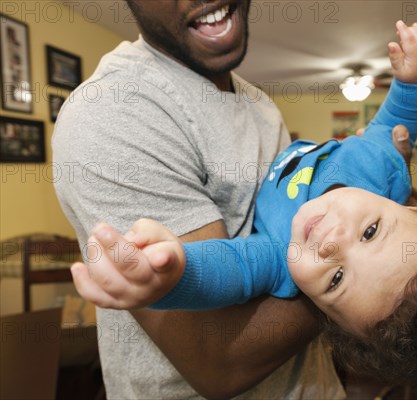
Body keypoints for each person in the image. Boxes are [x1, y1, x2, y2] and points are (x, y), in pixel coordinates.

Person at [71, 22, 417, 384]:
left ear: (323, 313)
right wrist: (414, 80)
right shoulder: (384, 170)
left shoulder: (281, 256)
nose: (331, 245)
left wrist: (170, 275)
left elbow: (230, 267)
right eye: (369, 232)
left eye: (335, 281)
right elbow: (393, 124)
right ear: (407, 205)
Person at [53, 0, 346, 398]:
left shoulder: (260, 104)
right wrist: (357, 266)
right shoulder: (112, 110)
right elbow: (220, 357)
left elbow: (290, 238)